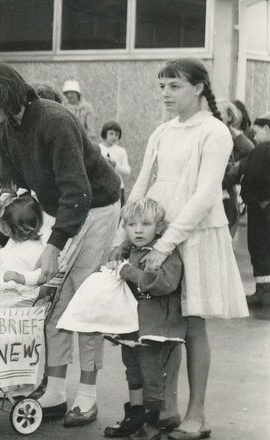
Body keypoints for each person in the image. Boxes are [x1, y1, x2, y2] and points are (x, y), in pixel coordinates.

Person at [0, 60, 123, 426]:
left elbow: (78, 192)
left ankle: (87, 396)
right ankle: (55, 390)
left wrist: (53, 246)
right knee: (51, 298)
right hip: (64, 207)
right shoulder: (6, 128)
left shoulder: (54, 120)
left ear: (1, 94)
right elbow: (10, 187)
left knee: (83, 299)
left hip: (96, 206)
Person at [112, 58, 248, 440]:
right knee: (161, 323)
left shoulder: (215, 132)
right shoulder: (162, 131)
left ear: (199, 88)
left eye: (174, 86)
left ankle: (197, 414)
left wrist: (167, 243)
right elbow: (141, 183)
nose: (166, 94)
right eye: (162, 86)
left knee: (192, 325)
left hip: (196, 236)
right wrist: (126, 235)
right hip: (157, 238)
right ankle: (166, 409)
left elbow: (206, 194)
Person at [103, 198, 186, 439]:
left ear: (159, 228)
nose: (138, 229)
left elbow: (163, 285)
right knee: (133, 370)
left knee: (151, 375)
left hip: (155, 326)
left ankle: (152, 423)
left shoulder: (165, 254)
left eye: (146, 224)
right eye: (131, 224)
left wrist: (128, 271)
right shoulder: (130, 251)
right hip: (132, 326)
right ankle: (135, 417)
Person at [0, 189, 45, 296]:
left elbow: (41, 273)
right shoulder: (14, 241)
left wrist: (22, 278)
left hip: (20, 295)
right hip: (3, 290)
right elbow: (5, 252)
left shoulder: (36, 249)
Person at [217, 99, 255, 237]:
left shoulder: (231, 137)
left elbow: (251, 151)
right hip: (211, 192)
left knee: (224, 239)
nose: (213, 114)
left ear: (229, 116)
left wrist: (237, 134)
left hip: (224, 193)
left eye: (219, 112)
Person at [244, 116, 270, 307]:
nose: (253, 138)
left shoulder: (262, 150)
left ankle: (263, 293)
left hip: (261, 209)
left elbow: (254, 176)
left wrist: (259, 200)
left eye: (256, 132)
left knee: (259, 247)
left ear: (267, 130)